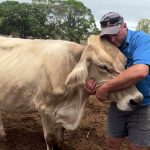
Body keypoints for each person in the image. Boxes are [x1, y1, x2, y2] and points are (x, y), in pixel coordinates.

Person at [85, 12, 150, 150]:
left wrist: (105, 88)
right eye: (107, 36)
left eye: (115, 33)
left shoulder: (142, 40)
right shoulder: (107, 47)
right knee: (112, 143)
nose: (112, 39)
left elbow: (141, 71)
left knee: (136, 147)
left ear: (125, 26)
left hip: (143, 104)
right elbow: (100, 71)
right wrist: (93, 86)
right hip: (118, 101)